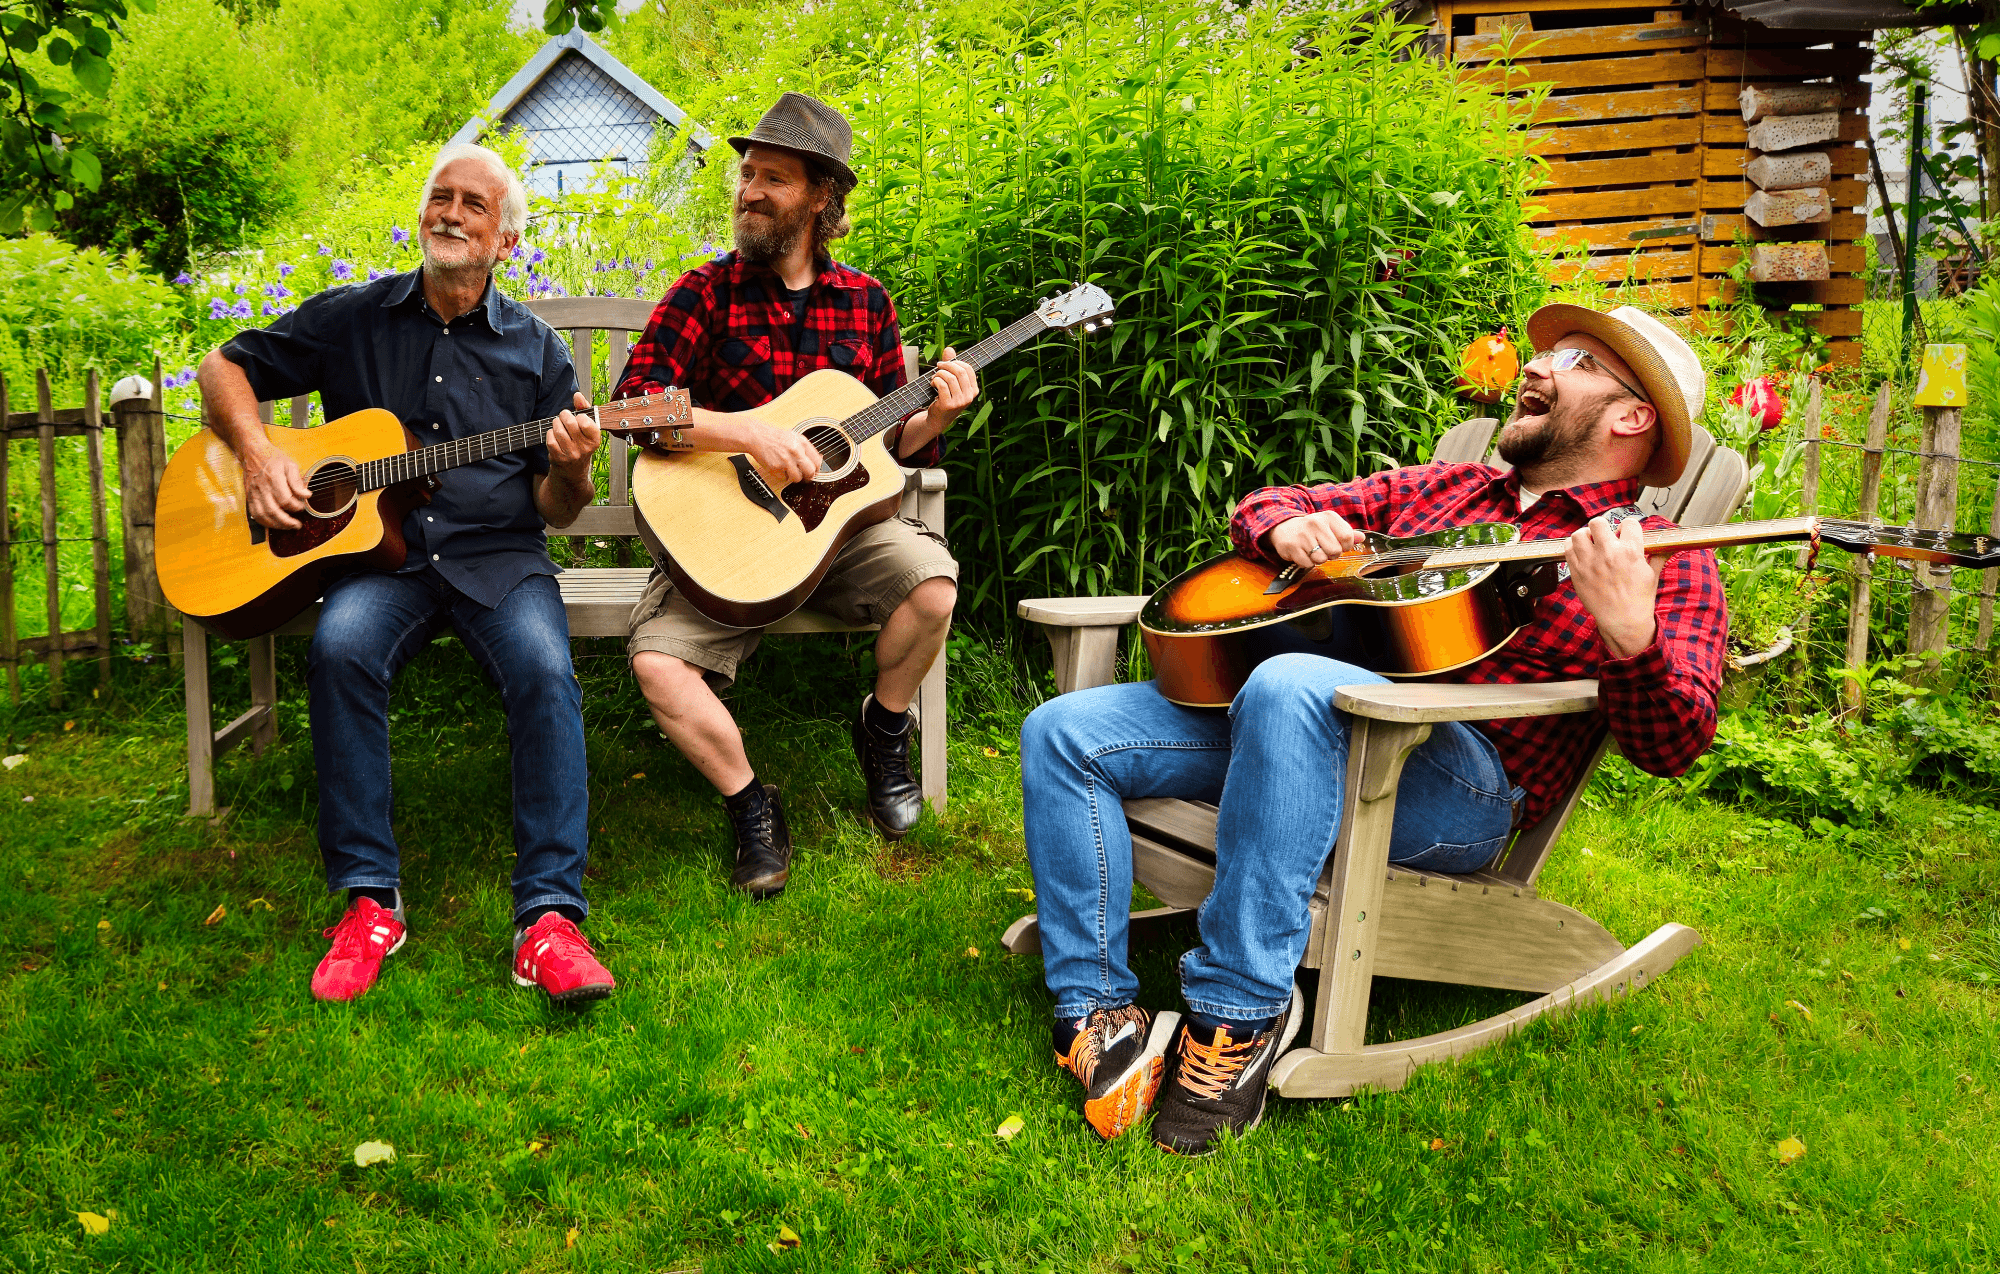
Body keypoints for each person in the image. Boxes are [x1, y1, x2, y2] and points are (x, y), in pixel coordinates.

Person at [1019, 304, 1729, 1153]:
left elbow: (1675, 741)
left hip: (1458, 789)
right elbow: (1273, 499)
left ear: (1630, 416)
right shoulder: (1450, 488)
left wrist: (1631, 633)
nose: (1534, 366)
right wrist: (1284, 525)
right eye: (1546, 353)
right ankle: (1095, 1011)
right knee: (1067, 731)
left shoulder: (1664, 553)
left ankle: (1235, 1020)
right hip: (1302, 730)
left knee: (1289, 682)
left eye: (1572, 360)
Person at [195, 144, 617, 1005]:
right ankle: (370, 900)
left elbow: (558, 508)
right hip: (379, 559)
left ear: (504, 242)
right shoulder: (355, 317)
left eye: (474, 205)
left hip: (499, 556)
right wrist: (260, 453)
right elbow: (222, 367)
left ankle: (547, 920)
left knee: (545, 670)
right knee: (342, 649)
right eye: (440, 197)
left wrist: (572, 468)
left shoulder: (538, 354)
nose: (451, 213)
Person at [613, 93, 978, 899]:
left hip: (837, 538)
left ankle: (883, 730)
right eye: (747, 174)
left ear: (821, 196)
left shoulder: (866, 302)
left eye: (772, 178)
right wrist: (744, 434)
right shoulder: (703, 293)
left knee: (934, 585)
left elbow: (886, 448)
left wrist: (937, 411)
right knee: (657, 666)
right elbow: (633, 406)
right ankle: (752, 804)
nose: (749, 191)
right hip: (727, 538)